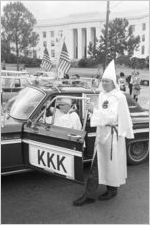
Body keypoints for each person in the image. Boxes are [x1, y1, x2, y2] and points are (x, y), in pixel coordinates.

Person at [73, 60, 134, 207]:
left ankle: (96, 193)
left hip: (112, 136)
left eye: (107, 81)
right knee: (101, 163)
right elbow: (101, 115)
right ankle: (110, 189)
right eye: (103, 81)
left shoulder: (119, 97)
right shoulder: (102, 95)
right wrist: (93, 112)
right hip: (102, 134)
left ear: (114, 82)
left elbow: (113, 117)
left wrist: (94, 111)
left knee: (105, 164)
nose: (104, 83)